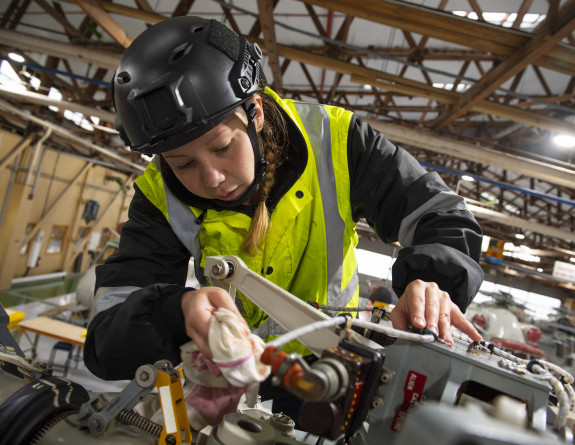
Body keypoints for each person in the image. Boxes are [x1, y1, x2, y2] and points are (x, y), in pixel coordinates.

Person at [84, 15, 484, 420]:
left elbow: (441, 213)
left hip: (335, 378)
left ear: (254, 111)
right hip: (233, 386)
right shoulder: (158, 194)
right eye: (183, 163)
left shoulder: (338, 141)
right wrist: (178, 311)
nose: (212, 178)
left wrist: (431, 280)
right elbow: (106, 337)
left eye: (222, 147)